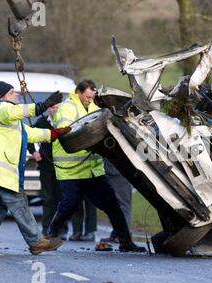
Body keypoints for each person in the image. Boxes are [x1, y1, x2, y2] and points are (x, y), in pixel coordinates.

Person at [0, 81, 70, 255]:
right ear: (2, 97)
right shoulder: (0, 109)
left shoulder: (7, 121)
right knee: (19, 201)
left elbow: (30, 134)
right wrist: (43, 106)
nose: (16, 95)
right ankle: (36, 241)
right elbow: (15, 111)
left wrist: (55, 134)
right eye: (12, 92)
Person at [47, 79, 145, 253]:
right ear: (78, 92)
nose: (89, 100)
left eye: (92, 97)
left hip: (93, 171)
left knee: (112, 206)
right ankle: (51, 235)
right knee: (69, 206)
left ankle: (125, 242)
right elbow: (67, 134)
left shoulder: (95, 108)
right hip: (71, 171)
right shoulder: (67, 108)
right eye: (87, 96)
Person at [28, 104, 68, 240]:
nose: (54, 110)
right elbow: (28, 135)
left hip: (63, 165)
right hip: (46, 165)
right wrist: (33, 152)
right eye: (51, 108)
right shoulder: (42, 122)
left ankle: (61, 229)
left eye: (57, 108)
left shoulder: (65, 121)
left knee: (62, 198)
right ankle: (46, 228)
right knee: (48, 198)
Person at [100, 157, 132, 243]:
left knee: (123, 204)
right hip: (110, 169)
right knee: (112, 205)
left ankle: (125, 235)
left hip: (119, 170)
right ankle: (116, 234)